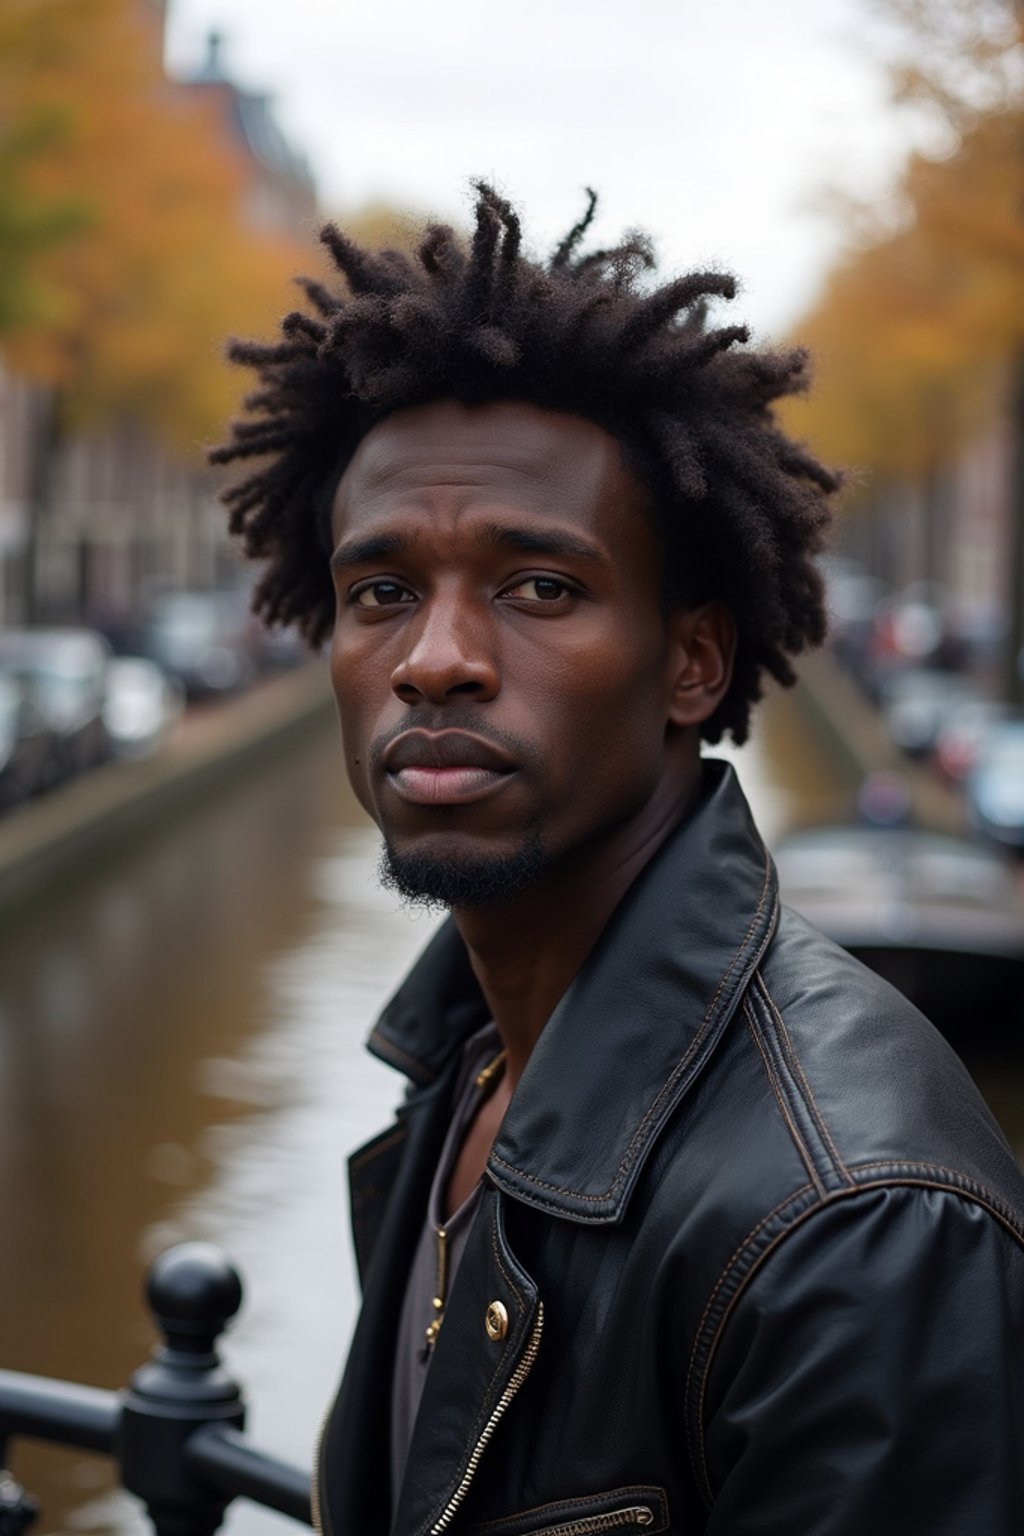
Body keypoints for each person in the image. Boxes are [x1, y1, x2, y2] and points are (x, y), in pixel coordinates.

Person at [213, 186, 1024, 1533]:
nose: (436, 658)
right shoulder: (461, 1066)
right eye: (382, 591)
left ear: (691, 662)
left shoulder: (858, 1228)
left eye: (540, 587)